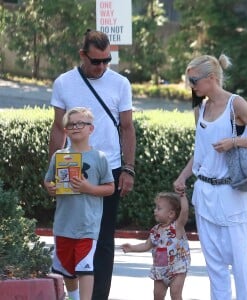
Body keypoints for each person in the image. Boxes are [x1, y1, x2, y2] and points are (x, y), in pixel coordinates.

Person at [173, 54, 247, 300]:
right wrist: (183, 176)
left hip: (232, 192)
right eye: (189, 80)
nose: (191, 85)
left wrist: (234, 142)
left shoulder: (235, 104)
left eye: (194, 80)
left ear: (211, 78)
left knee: (240, 264)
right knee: (214, 265)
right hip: (205, 191)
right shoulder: (200, 108)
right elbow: (200, 153)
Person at [48, 29, 136, 300]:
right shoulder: (64, 83)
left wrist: (128, 168)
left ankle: (97, 297)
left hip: (108, 166)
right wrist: (53, 170)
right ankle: (75, 295)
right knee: (70, 235)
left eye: (106, 60)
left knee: (104, 239)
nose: (101, 67)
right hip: (72, 166)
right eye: (96, 61)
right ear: (82, 55)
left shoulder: (120, 83)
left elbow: (128, 127)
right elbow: (57, 127)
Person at [44, 107, 115, 300]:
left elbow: (110, 188)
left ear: (91, 129)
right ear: (65, 130)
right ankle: (74, 297)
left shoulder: (99, 158)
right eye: (71, 124)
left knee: (85, 266)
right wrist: (50, 187)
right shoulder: (59, 156)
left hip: (88, 225)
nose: (75, 127)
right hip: (63, 224)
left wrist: (89, 188)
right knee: (67, 269)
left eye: (81, 123)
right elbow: (48, 180)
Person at [121, 192, 191, 300]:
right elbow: (146, 245)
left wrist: (182, 196)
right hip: (159, 270)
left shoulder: (177, 227)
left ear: (171, 214)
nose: (155, 211)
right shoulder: (155, 230)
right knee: (157, 296)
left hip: (177, 269)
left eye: (159, 208)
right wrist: (132, 248)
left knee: (175, 294)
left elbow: (185, 212)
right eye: (156, 208)